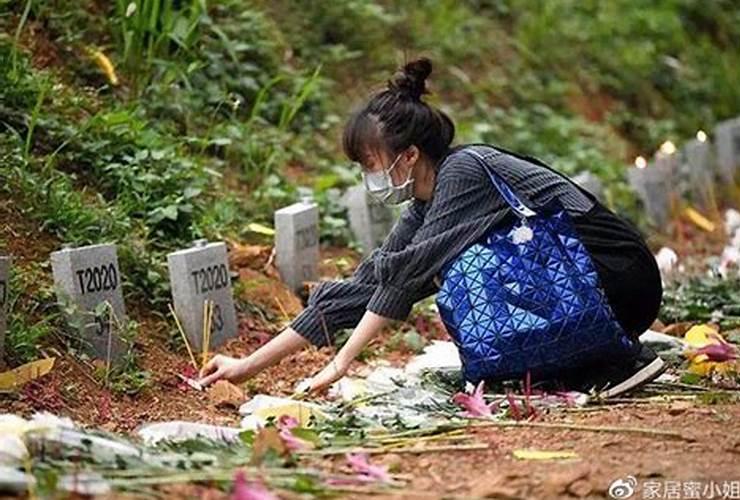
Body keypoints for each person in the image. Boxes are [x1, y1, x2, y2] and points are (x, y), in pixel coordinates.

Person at [198, 57, 665, 397]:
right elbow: (372, 283)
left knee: (461, 268)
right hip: (592, 286)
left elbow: (408, 278)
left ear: (410, 156)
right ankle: (579, 359)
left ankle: (604, 359)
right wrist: (246, 366)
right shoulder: (425, 204)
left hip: (619, 279)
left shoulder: (465, 173)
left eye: (370, 162)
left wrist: (341, 363)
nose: (369, 175)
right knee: (437, 267)